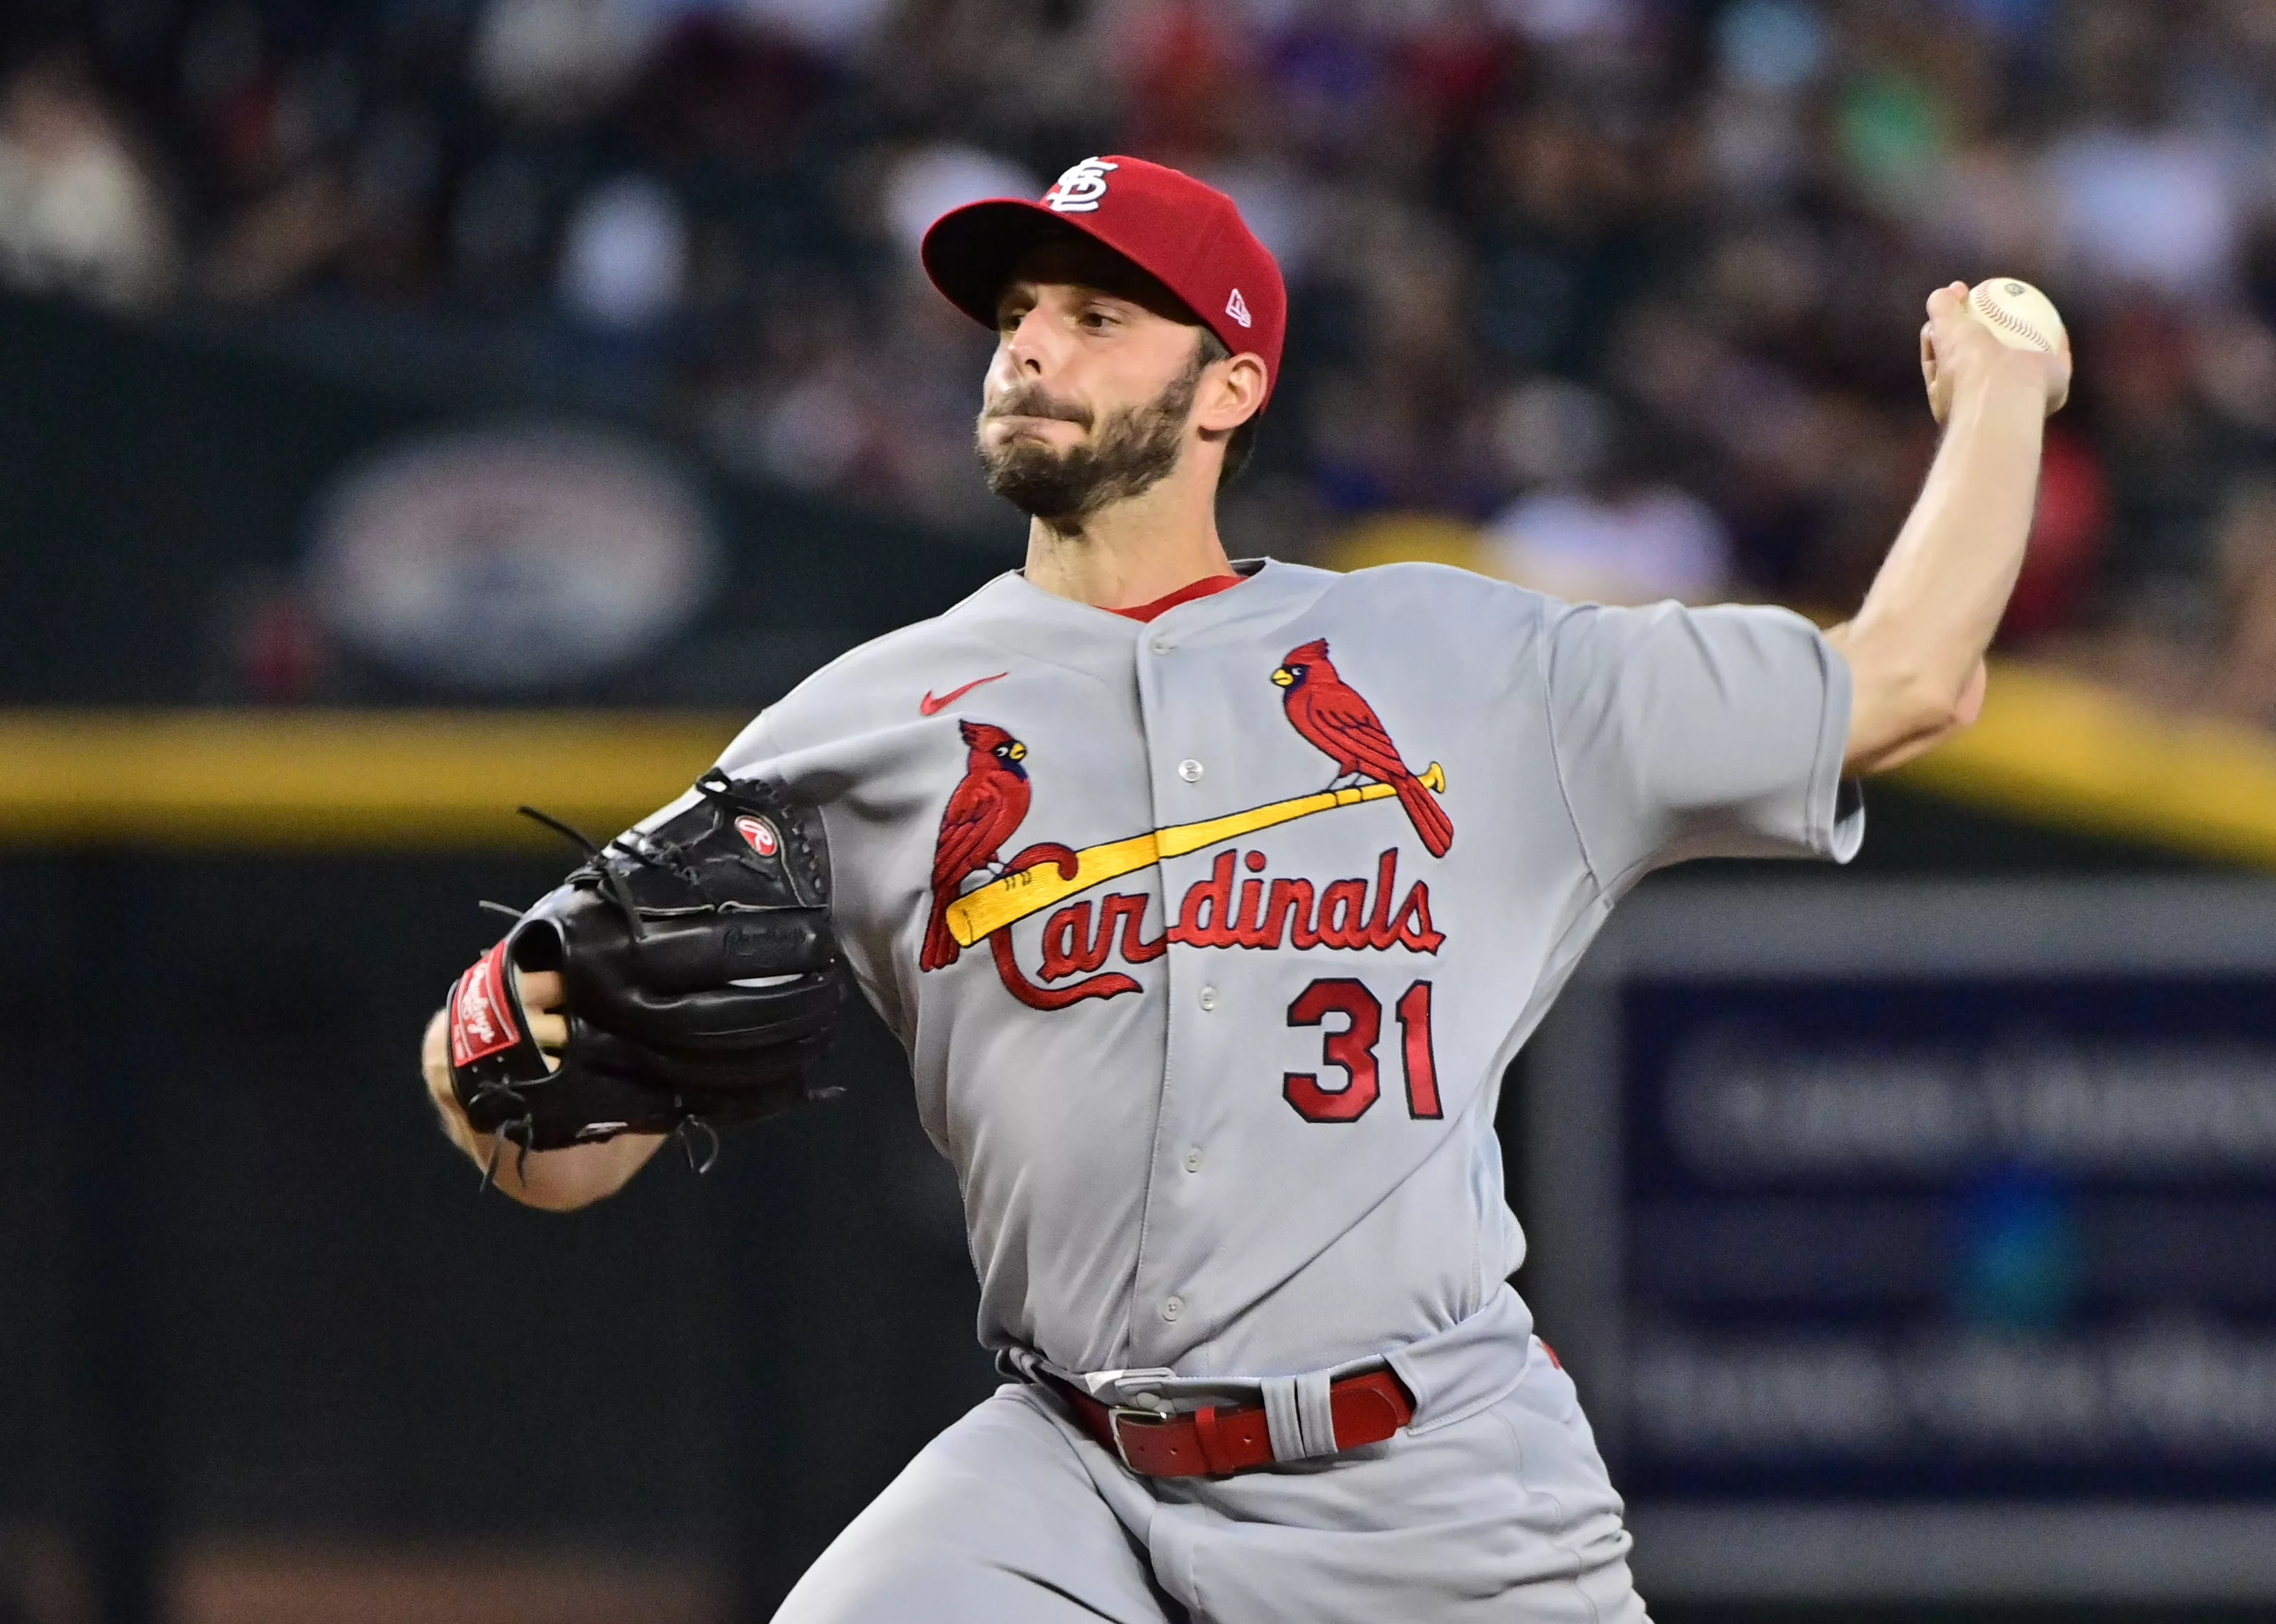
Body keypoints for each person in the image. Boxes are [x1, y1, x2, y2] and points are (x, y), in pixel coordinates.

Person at [420, 155, 2067, 1620]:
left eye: (1095, 314)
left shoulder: (1464, 655)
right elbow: (559, 1151)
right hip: (1065, 1476)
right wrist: (487, 1045)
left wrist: (2003, 392)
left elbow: (1906, 679)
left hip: (1430, 1482)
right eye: (1017, 313)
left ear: (1229, 385)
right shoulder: (860, 724)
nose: (1033, 345)